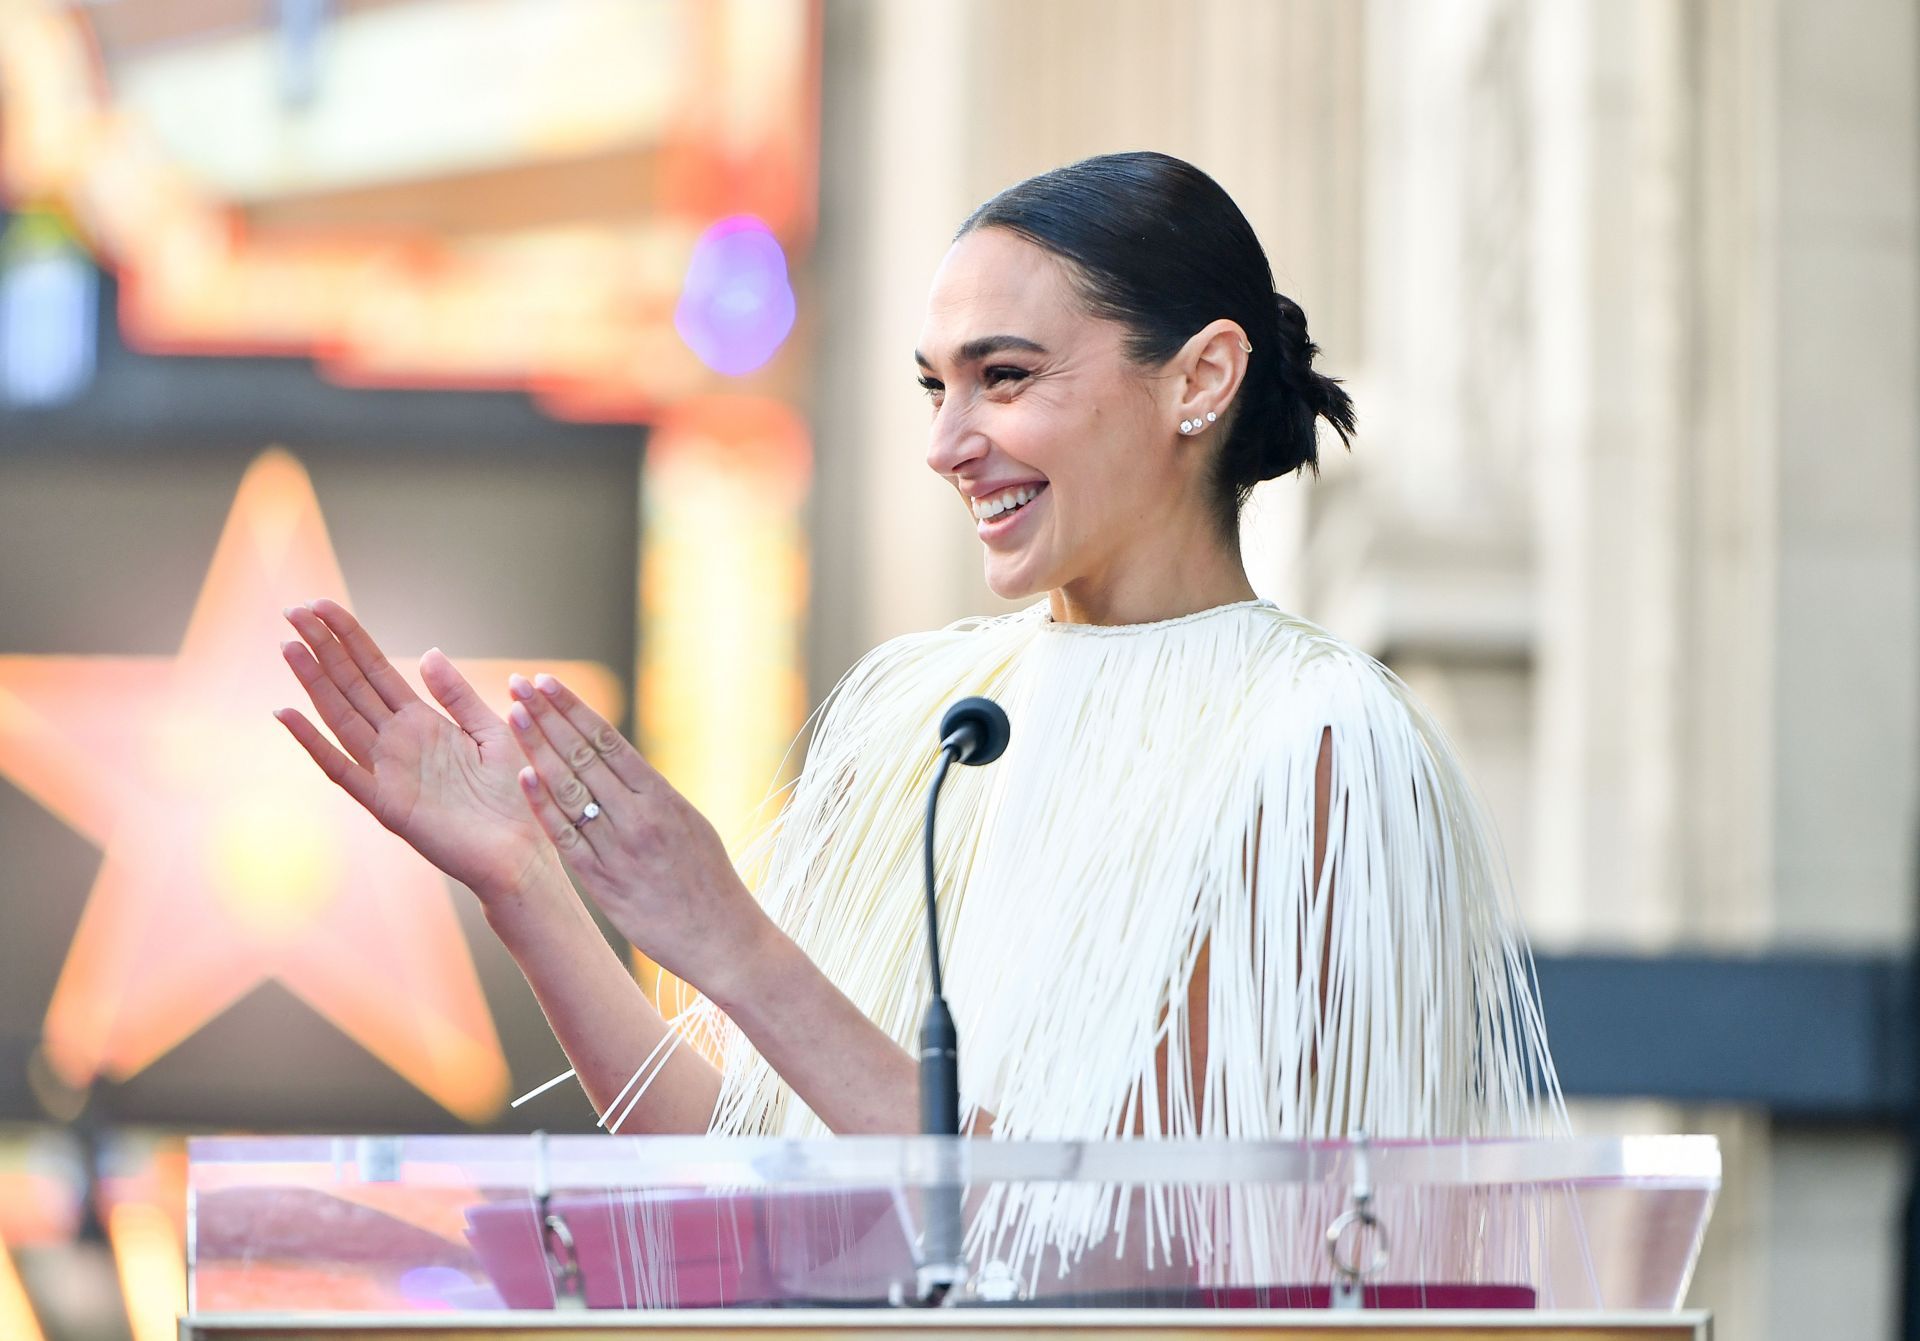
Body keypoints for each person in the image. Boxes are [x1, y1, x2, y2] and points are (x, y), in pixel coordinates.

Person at [277, 152, 1560, 1147]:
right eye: (934, 388)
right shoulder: (926, 713)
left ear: (1201, 379)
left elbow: (1144, 1252)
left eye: (1002, 378)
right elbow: (747, 1196)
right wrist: (523, 887)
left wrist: (734, 945)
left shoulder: (1318, 738)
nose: (948, 442)